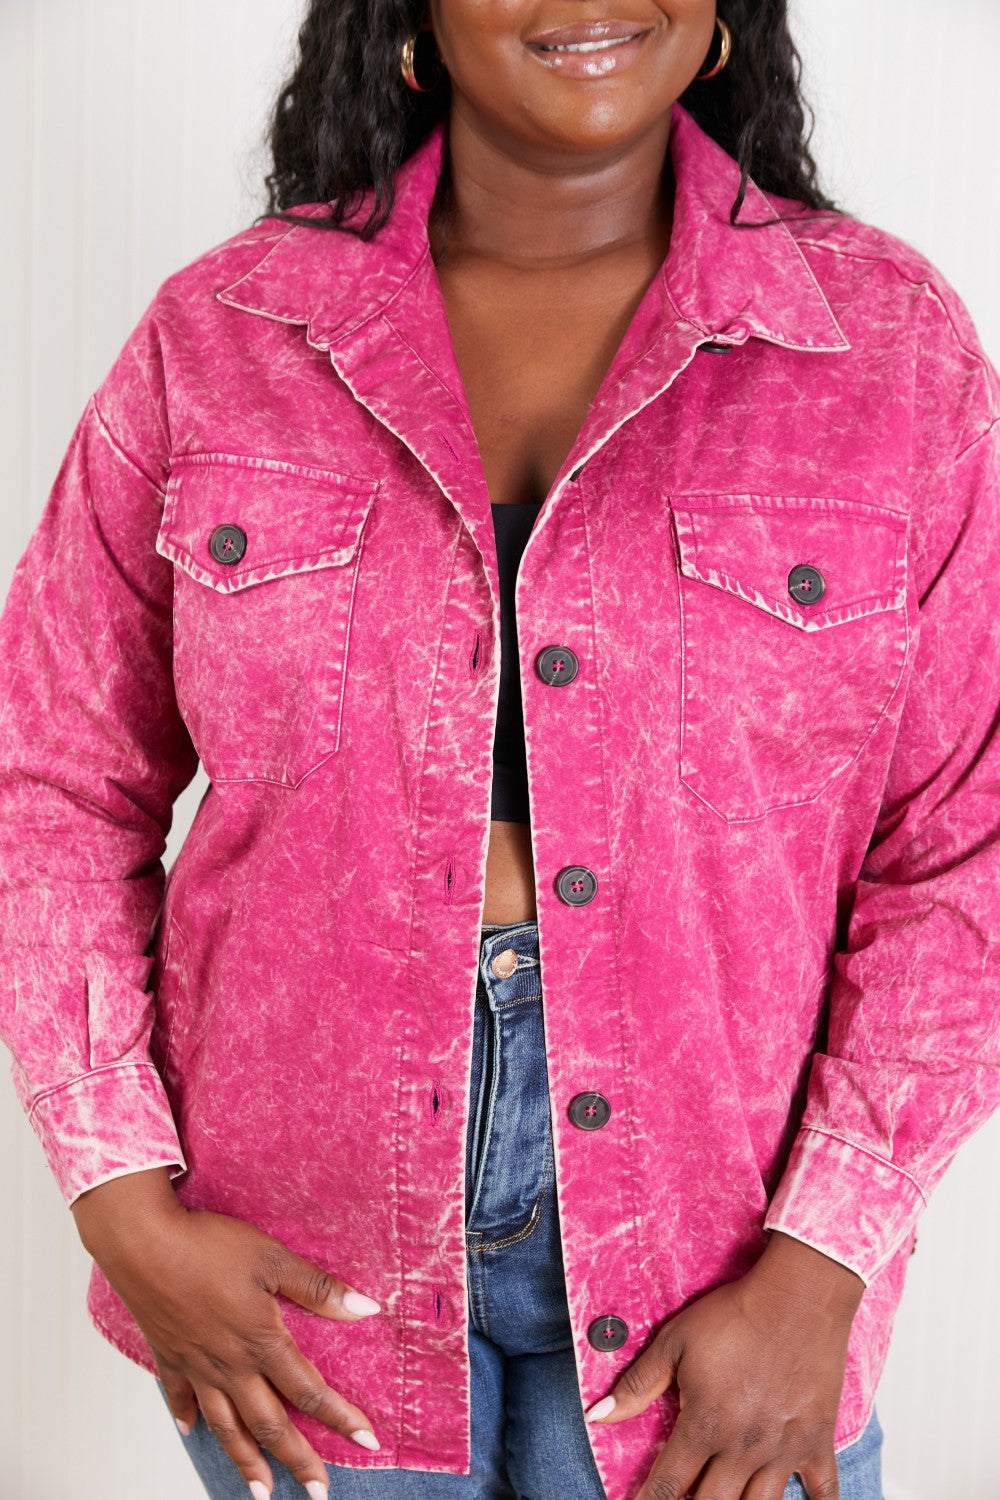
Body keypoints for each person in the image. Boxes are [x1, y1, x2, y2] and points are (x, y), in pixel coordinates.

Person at [1, 0, 998, 1496]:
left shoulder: (885, 347)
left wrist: (826, 1260)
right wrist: (118, 1194)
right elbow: (51, 780)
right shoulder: (225, 333)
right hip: (302, 1264)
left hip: (728, 1255)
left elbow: (969, 838)